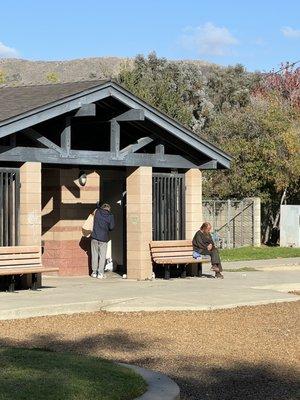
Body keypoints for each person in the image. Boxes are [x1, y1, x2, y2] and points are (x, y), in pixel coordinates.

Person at [90, 203, 114, 279]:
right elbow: (111, 227)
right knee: (102, 256)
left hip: (94, 237)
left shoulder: (96, 211)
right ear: (108, 209)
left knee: (94, 255)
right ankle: (100, 273)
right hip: (103, 238)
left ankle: (94, 272)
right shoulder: (110, 216)